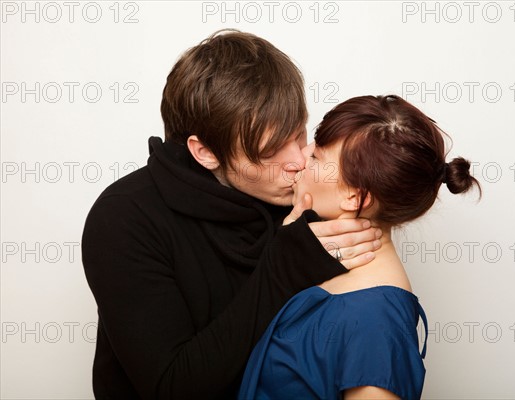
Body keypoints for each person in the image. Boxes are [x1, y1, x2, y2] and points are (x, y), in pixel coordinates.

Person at [81, 30, 382, 399]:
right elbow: (170, 388)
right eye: (271, 150)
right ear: (205, 152)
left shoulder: (300, 195)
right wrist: (281, 268)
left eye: (298, 133)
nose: (299, 161)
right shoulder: (124, 218)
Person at [238, 95, 482, 400]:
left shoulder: (375, 322)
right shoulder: (317, 264)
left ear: (355, 198)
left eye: (317, 158)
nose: (302, 156)